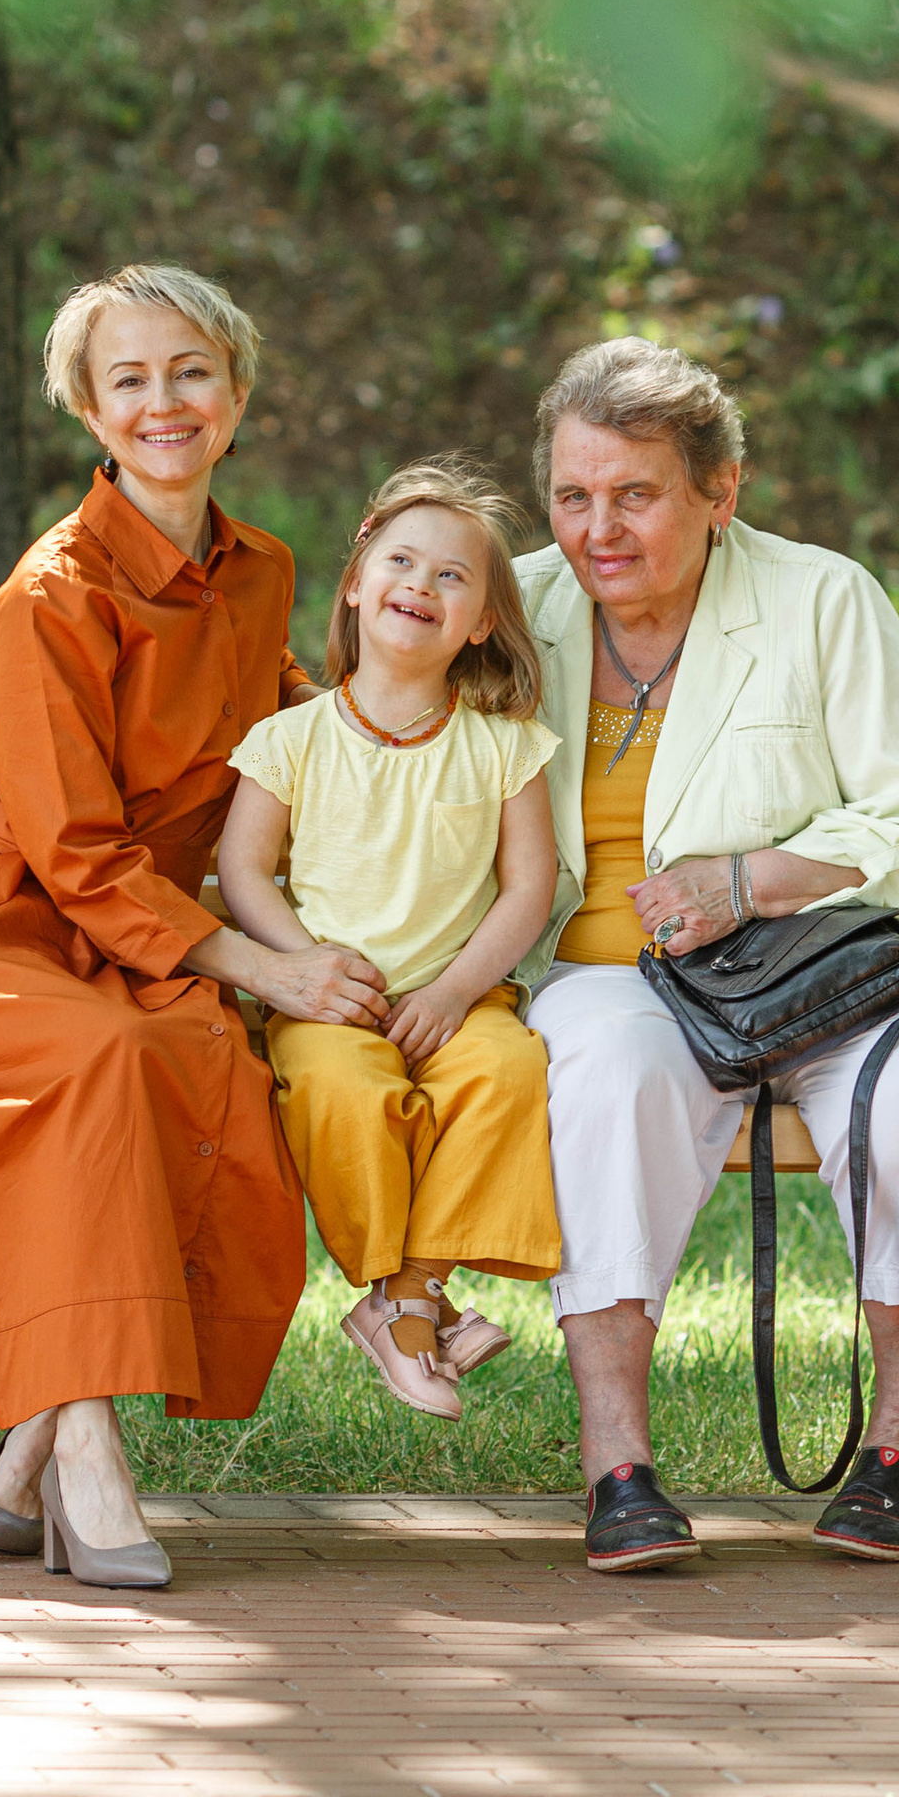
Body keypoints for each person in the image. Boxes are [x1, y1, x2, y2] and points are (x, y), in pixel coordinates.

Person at [0, 261, 389, 1593]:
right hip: (2, 932)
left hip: (149, 934)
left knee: (207, 1074)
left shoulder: (262, 572)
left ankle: (29, 1441)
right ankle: (91, 1457)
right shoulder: (43, 601)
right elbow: (69, 850)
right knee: (105, 1070)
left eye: (191, 372)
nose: (164, 402)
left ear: (235, 391)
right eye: (129, 379)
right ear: (87, 408)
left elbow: (291, 741)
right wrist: (260, 963)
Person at [511, 335, 899, 1574]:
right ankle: (617, 1469)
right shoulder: (513, 603)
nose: (599, 530)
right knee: (608, 1081)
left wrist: (753, 880)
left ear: (720, 491)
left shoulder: (821, 598)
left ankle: (895, 1448)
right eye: (574, 497)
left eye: (636, 494)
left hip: (855, 970)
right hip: (609, 980)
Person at [218, 461, 561, 1418]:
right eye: (401, 562)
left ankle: (409, 1294)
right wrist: (300, 964)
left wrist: (454, 993)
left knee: (509, 1072)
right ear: (359, 584)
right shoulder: (294, 736)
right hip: (330, 1005)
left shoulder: (503, 742)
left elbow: (528, 888)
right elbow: (245, 870)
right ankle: (409, 1301)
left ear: (483, 621)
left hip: (459, 999)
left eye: (453, 577)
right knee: (343, 1090)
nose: (421, 584)